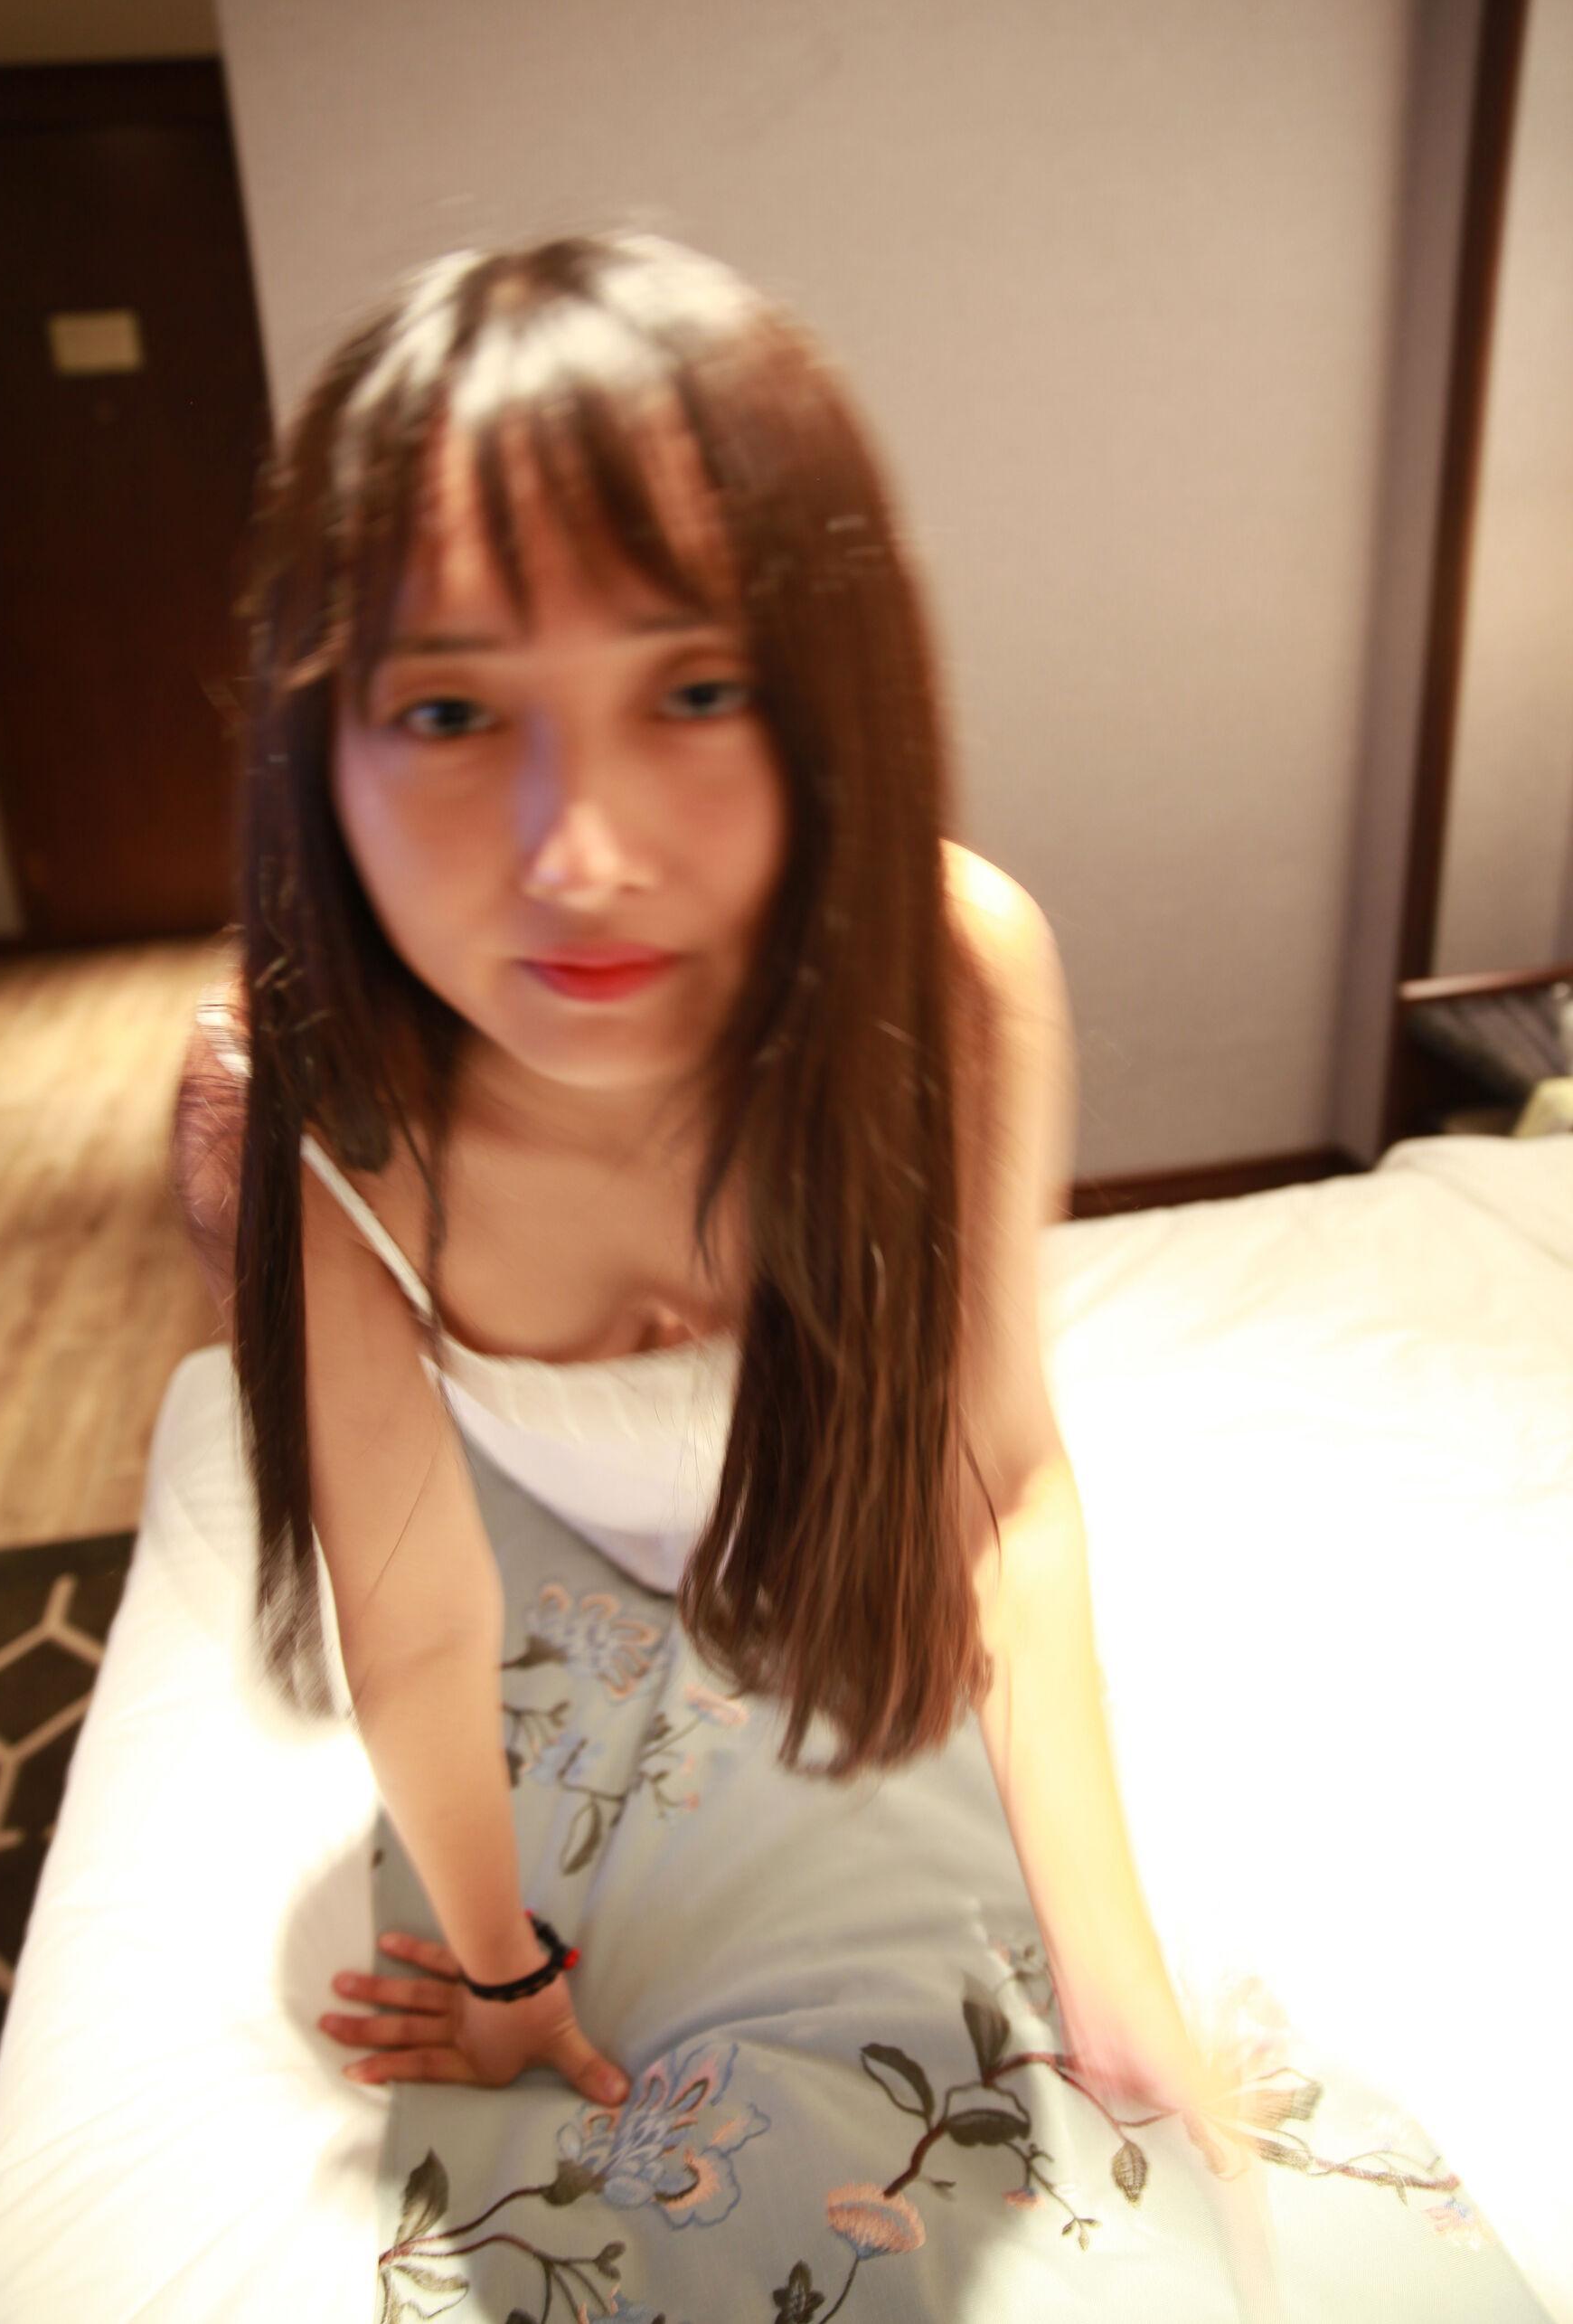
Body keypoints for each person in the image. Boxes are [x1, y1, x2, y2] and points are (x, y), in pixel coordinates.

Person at [166, 231, 1516, 2323]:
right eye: (445, 709)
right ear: (311, 749)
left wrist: (1107, 1965)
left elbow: (999, 1480)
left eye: (697, 690)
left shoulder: (951, 976)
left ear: (834, 701)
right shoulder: (314, 1100)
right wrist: (507, 1977)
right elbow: (412, 1609)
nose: (582, 853)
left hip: (829, 1511)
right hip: (520, 1526)